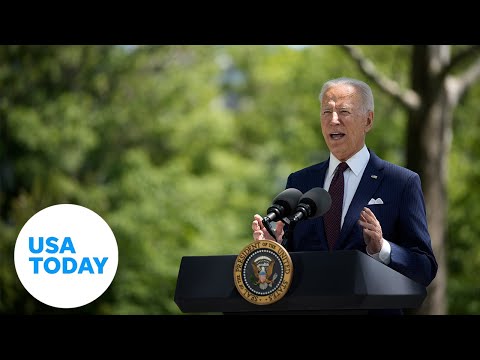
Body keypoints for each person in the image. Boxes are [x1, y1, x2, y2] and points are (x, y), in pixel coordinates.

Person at [251, 77, 438, 310]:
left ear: (368, 121)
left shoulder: (401, 182)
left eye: (344, 111)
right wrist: (274, 249)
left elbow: (425, 268)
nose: (333, 120)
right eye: (326, 112)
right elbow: (291, 265)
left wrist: (381, 249)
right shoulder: (300, 181)